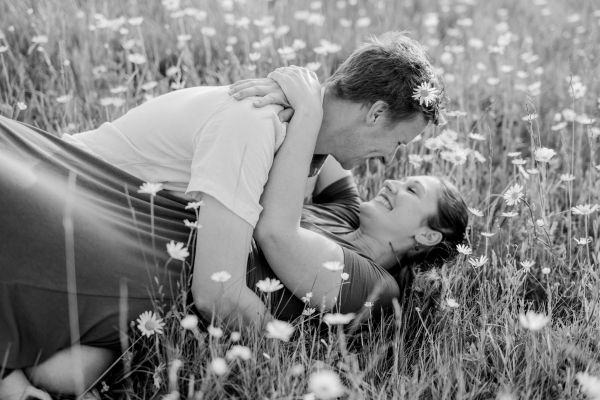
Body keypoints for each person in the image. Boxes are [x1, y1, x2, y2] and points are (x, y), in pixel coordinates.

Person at [0, 31, 449, 396]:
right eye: (399, 142)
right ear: (375, 113)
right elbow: (217, 291)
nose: (390, 159)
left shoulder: (296, 134)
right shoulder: (257, 122)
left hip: (101, 222)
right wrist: (293, 363)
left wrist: (311, 104)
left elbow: (327, 153)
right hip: (58, 193)